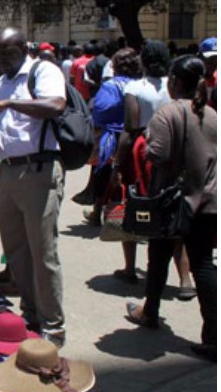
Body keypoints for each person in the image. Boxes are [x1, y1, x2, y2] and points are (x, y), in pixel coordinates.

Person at [125, 55, 216, 362]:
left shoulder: (168, 113)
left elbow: (157, 155)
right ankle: (213, 336)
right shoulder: (213, 115)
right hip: (209, 201)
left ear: (175, 81)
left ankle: (150, 312)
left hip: (172, 202)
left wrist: (148, 140)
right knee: (204, 264)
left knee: (158, 257)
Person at [0, 27, 68, 348]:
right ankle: (31, 312)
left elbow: (55, 105)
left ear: (23, 48)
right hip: (6, 173)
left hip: (39, 171)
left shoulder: (41, 71)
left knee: (42, 252)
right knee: (16, 252)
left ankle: (53, 326)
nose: (2, 59)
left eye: (8, 53)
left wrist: (11, 104)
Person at [112, 40, 193, 293]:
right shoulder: (175, 88)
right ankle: (184, 280)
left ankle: (129, 268)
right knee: (175, 208)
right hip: (175, 151)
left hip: (142, 152)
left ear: (143, 61)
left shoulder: (135, 87)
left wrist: (116, 163)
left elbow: (130, 126)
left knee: (135, 205)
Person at [89, 48, 141, 276]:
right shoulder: (143, 84)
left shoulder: (111, 86)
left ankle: (103, 215)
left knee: (113, 187)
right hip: (143, 143)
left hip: (116, 142)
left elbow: (99, 111)